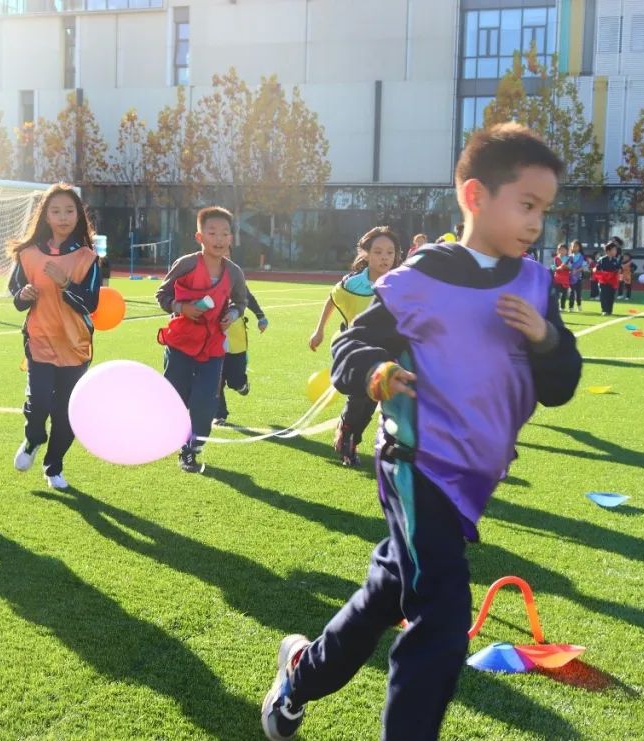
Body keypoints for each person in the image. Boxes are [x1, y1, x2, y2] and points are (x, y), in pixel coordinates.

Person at [260, 122, 582, 741]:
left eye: (544, 209)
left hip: (473, 477)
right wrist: (375, 371)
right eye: (526, 204)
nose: (537, 222)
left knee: (387, 592)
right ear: (474, 197)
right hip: (414, 463)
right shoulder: (422, 277)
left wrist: (545, 340)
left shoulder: (535, 285)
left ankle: (298, 675)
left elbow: (561, 385)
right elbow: (350, 345)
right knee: (440, 609)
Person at [8, 183, 101, 489]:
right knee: (39, 403)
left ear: (78, 216)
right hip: (40, 340)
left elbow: (90, 303)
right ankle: (33, 439)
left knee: (66, 414)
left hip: (75, 346)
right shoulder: (28, 254)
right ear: (45, 216)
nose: (63, 217)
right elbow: (16, 297)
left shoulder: (88, 257)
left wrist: (66, 285)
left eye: (69, 211)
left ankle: (54, 466)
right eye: (56, 211)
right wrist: (24, 294)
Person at [156, 206, 248, 474]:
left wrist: (232, 313)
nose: (219, 239)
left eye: (224, 233)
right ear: (200, 237)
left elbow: (240, 302)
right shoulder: (186, 264)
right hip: (182, 342)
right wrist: (181, 308)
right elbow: (162, 295)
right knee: (176, 396)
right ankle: (172, 434)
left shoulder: (234, 273)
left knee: (206, 399)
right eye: (212, 233)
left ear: (231, 238)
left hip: (213, 347)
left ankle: (191, 450)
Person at [309, 227, 402, 466]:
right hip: (354, 352)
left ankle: (350, 433)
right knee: (358, 398)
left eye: (390, 253)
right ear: (367, 254)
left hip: (383, 353)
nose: (384, 257)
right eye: (378, 252)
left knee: (370, 403)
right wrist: (319, 330)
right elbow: (332, 299)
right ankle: (347, 443)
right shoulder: (354, 284)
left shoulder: (400, 283)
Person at [215, 287, 269, 426]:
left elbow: (247, 297)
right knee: (215, 377)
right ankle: (219, 414)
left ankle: (241, 384)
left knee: (235, 380)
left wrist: (260, 316)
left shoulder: (233, 273)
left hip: (235, 338)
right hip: (213, 337)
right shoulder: (203, 275)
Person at [594, 241, 621, 315]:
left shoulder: (616, 260)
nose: (615, 251)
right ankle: (604, 310)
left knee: (611, 295)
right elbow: (597, 269)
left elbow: (619, 269)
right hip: (603, 281)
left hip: (612, 281)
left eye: (616, 250)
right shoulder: (602, 260)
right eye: (613, 250)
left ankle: (609, 310)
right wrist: (603, 275)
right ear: (608, 251)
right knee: (603, 295)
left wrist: (619, 275)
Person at [567, 240, 586, 311]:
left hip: (579, 278)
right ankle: (571, 307)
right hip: (571, 278)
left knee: (578, 293)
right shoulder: (569, 257)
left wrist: (577, 270)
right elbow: (567, 266)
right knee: (571, 292)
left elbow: (584, 267)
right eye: (573, 246)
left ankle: (579, 305)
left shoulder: (582, 257)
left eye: (576, 246)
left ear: (579, 247)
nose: (574, 248)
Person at [552, 243, 571, 311]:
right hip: (557, 279)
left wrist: (567, 267)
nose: (562, 251)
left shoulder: (568, 258)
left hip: (565, 279)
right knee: (556, 294)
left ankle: (562, 307)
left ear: (566, 251)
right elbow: (554, 267)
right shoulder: (556, 258)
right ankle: (556, 306)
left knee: (564, 294)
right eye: (560, 250)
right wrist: (558, 268)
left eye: (563, 250)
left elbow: (570, 268)